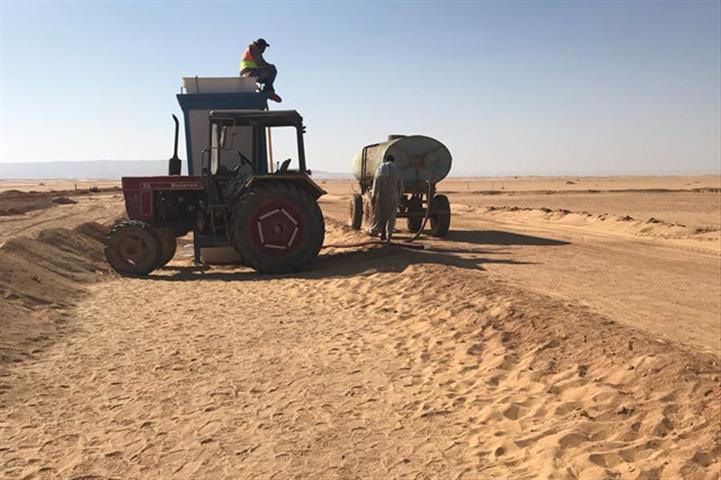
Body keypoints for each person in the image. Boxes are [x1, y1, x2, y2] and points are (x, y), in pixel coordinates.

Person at [369, 155, 404, 241]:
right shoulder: (397, 170)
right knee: (391, 216)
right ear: (393, 161)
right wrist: (400, 196)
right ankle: (389, 235)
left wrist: (373, 196)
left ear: (386, 160)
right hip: (394, 196)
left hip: (382, 195)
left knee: (380, 214)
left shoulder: (381, 168)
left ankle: (377, 231)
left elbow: (376, 183)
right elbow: (400, 186)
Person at [239, 38, 282, 103]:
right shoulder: (254, 49)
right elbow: (262, 63)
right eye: (264, 47)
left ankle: (268, 91)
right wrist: (271, 66)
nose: (264, 49)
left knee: (268, 77)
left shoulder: (251, 50)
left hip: (248, 72)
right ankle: (268, 91)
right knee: (272, 70)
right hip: (250, 72)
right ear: (260, 46)